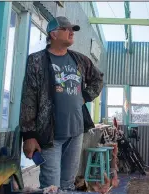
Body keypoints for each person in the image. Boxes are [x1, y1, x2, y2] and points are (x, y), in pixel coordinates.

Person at [19, 16, 104, 190]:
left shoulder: (80, 60)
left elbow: (98, 78)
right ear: (54, 34)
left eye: (72, 29)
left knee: (67, 184)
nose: (71, 32)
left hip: (76, 132)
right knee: (52, 186)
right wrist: (28, 135)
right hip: (50, 136)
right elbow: (28, 98)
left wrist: (85, 96)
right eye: (67, 29)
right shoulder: (36, 61)